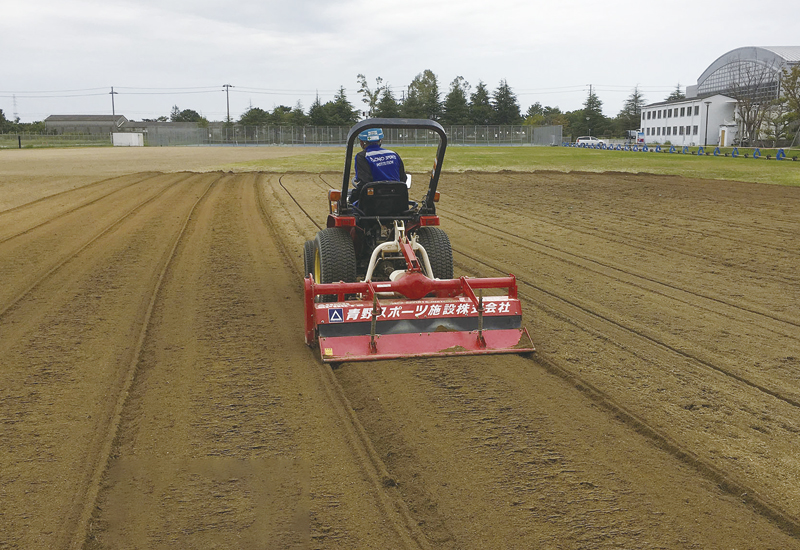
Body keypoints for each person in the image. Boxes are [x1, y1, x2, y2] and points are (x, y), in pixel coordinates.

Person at [349, 128, 407, 204]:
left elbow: (364, 183)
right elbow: (403, 178)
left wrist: (351, 199)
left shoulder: (362, 156)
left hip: (373, 204)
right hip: (396, 202)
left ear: (361, 142)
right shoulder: (393, 154)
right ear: (380, 140)